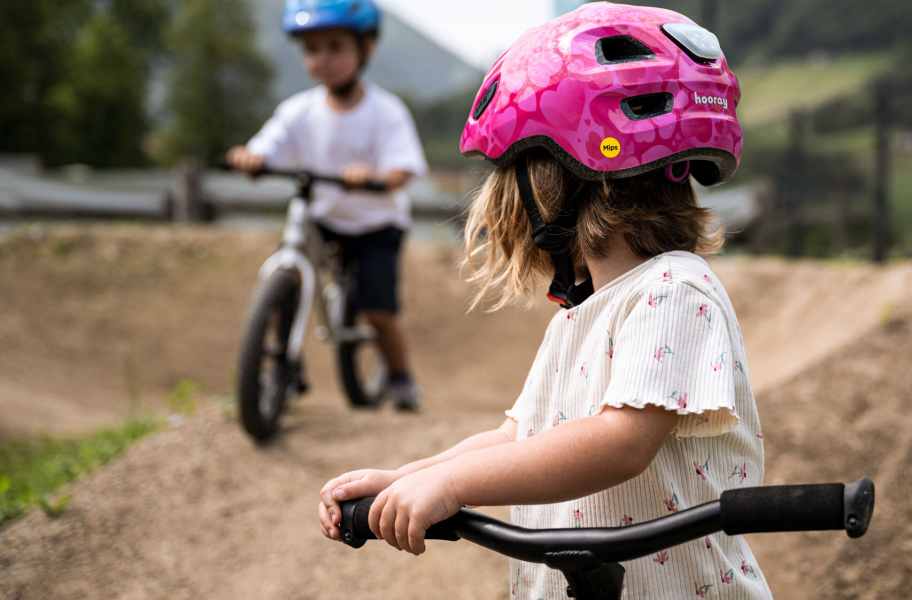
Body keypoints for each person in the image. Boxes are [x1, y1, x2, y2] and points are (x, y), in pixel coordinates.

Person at [318, 3, 770, 598]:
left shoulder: (675, 291)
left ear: (564, 178)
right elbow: (517, 440)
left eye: (516, 169)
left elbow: (621, 441)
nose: (502, 197)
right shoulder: (578, 317)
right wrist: (409, 477)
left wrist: (454, 486)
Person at [227, 0, 427, 411]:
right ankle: (283, 362)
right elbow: (268, 147)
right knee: (289, 270)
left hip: (375, 224)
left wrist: (375, 177)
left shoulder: (386, 111)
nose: (323, 59)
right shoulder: (298, 111)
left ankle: (401, 378)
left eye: (336, 47)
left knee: (377, 311)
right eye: (312, 49)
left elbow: (402, 169)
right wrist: (252, 158)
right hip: (323, 218)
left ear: (365, 49)